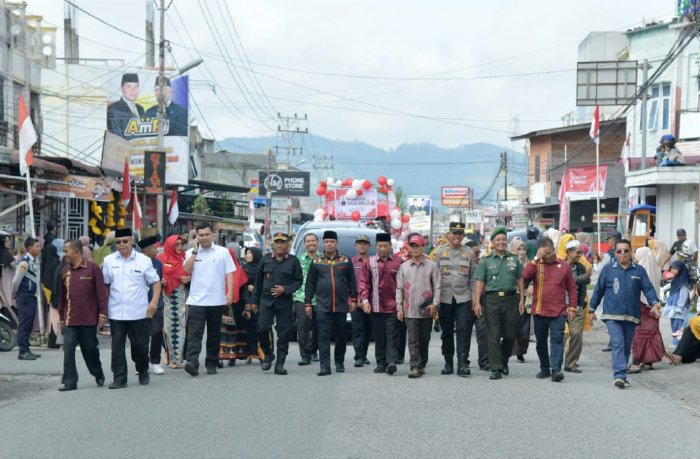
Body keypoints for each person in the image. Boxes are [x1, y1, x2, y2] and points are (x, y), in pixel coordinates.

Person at [589, 239, 662, 389]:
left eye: (626, 250)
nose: (622, 253)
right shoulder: (608, 270)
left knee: (627, 346)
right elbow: (598, 290)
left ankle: (622, 373)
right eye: (619, 251)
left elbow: (648, 288)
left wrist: (654, 302)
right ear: (615, 253)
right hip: (612, 315)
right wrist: (591, 309)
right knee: (618, 343)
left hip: (631, 315)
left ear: (631, 252)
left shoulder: (639, 270)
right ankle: (619, 375)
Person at [102, 228, 161, 389]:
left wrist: (154, 302)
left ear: (132, 242)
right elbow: (106, 286)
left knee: (139, 346)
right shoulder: (109, 261)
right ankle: (119, 378)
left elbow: (155, 282)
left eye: (125, 241)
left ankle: (142, 370)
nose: (122, 245)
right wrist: (103, 308)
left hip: (138, 312)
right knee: (117, 347)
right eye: (118, 242)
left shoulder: (143, 260)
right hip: (116, 312)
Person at [183, 222, 235, 377]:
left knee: (214, 334)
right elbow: (186, 269)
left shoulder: (223, 252)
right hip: (196, 301)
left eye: (207, 234)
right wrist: (194, 251)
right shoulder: (191, 252)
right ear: (196, 236)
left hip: (217, 300)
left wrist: (230, 293)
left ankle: (211, 362)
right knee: (195, 334)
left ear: (213, 235)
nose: (204, 238)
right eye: (201, 235)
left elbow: (230, 273)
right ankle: (192, 361)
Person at [304, 230, 358, 376]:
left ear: (336, 243)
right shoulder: (316, 262)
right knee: (323, 336)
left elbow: (352, 281)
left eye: (332, 242)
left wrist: (354, 299)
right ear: (323, 243)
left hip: (340, 305)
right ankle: (324, 366)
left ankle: (339, 362)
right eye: (326, 242)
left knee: (341, 336)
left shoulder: (345, 260)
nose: (329, 244)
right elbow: (310, 284)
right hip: (322, 305)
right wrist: (308, 303)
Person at [523, 237, 576, 383]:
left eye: (549, 252)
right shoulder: (536, 264)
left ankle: (556, 370)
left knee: (557, 340)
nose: (547, 255)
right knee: (540, 342)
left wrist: (572, 308)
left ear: (554, 249)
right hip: (539, 310)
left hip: (558, 311)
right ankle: (545, 368)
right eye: (544, 253)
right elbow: (525, 276)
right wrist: (535, 258)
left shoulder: (564, 266)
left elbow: (572, 288)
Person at [474, 228, 525, 380]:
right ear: (493, 243)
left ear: (506, 242)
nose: (501, 242)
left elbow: (520, 279)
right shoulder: (485, 260)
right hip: (492, 300)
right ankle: (496, 368)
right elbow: (480, 282)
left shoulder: (514, 259)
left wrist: (522, 298)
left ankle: (503, 361)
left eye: (503, 240)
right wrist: (477, 302)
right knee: (493, 334)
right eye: (498, 240)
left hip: (510, 300)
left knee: (510, 334)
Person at [56, 239, 107, 391]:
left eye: (66, 251)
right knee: (68, 351)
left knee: (90, 350)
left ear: (77, 252)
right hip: (71, 319)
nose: (64, 254)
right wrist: (61, 317)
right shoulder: (64, 271)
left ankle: (98, 373)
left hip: (89, 319)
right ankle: (70, 381)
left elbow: (101, 294)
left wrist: (103, 313)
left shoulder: (93, 269)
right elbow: (61, 297)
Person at [249, 232, 302, 375]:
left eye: (282, 242)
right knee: (261, 329)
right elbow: (258, 282)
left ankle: (280, 364)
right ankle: (268, 354)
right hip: (266, 301)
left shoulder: (293, 261)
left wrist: (285, 289)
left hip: (284, 302)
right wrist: (254, 301)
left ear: (287, 245)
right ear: (273, 244)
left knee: (283, 334)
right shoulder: (266, 259)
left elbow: (298, 281)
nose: (279, 245)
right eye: (277, 242)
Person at [431, 221, 478, 377]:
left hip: (463, 297)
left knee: (464, 330)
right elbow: (434, 277)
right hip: (444, 297)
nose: (457, 236)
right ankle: (448, 362)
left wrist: (474, 299)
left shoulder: (469, 253)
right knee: (446, 331)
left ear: (463, 236)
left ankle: (463, 363)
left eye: (460, 234)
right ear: (448, 235)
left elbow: (473, 278)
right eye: (454, 233)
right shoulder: (439, 252)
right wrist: (434, 300)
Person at [396, 234, 440, 379]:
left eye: (417, 246)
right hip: (409, 309)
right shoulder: (404, 267)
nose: (414, 249)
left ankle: (422, 363)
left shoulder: (432, 265)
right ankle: (414, 365)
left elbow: (437, 286)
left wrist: (435, 304)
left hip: (427, 308)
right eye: (412, 246)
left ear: (423, 247)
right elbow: (399, 289)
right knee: (412, 339)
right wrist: (399, 307)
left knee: (424, 339)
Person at [359, 232, 402, 374]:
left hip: (393, 306)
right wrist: (365, 300)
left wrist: (402, 304)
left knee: (392, 334)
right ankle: (381, 362)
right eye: (380, 246)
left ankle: (391, 362)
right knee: (379, 336)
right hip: (375, 306)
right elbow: (363, 283)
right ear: (376, 246)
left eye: (385, 246)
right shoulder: (369, 262)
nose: (383, 249)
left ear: (390, 246)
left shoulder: (398, 262)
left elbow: (403, 284)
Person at [629, 247, 666, 372]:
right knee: (652, 333)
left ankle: (637, 360)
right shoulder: (656, 267)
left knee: (639, 333)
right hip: (654, 305)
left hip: (642, 305)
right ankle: (648, 362)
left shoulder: (640, 269)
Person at [157, 235, 190, 368]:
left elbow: (194, 273)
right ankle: (167, 352)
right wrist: (161, 281)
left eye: (181, 244)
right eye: (176, 244)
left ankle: (177, 358)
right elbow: (155, 277)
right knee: (167, 327)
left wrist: (189, 279)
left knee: (181, 327)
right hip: (166, 298)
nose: (179, 247)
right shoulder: (160, 259)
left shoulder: (185, 258)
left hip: (182, 297)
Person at [137, 236, 166, 375]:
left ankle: (155, 361)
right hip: (139, 304)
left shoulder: (158, 264)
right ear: (147, 250)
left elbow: (158, 281)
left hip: (156, 304)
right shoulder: (136, 262)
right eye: (155, 247)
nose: (157, 250)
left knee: (156, 332)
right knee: (141, 336)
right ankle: (142, 362)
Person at [218, 246, 251, 366]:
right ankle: (219, 357)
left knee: (233, 332)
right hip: (219, 305)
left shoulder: (238, 271)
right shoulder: (218, 269)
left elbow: (244, 291)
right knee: (219, 332)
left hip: (236, 307)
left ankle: (232, 356)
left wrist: (246, 306)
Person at [11, 237, 42, 360]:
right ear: (30, 248)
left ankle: (27, 349)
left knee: (29, 324)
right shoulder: (24, 262)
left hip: (32, 296)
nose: (39, 248)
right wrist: (14, 293)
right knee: (24, 324)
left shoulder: (35, 261)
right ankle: (22, 351)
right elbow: (16, 281)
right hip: (24, 296)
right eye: (37, 246)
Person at [562, 240, 591, 373]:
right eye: (577, 252)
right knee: (559, 335)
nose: (580, 255)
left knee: (576, 335)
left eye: (581, 252)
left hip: (576, 306)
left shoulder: (580, 267)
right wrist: (582, 278)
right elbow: (561, 283)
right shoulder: (559, 266)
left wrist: (579, 305)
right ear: (569, 252)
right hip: (560, 306)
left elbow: (583, 288)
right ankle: (556, 362)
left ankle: (570, 363)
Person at [293, 234, 319, 365]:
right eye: (308, 241)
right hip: (301, 297)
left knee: (318, 328)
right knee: (302, 327)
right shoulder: (298, 260)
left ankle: (314, 350)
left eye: (313, 241)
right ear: (304, 244)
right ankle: (305, 355)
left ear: (317, 243)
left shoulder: (323, 259)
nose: (311, 243)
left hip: (319, 298)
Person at [350, 234, 373, 367]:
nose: (362, 245)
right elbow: (347, 283)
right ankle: (359, 356)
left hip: (370, 303)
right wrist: (352, 300)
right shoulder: (351, 262)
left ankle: (363, 355)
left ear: (369, 246)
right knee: (357, 330)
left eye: (365, 243)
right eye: (360, 243)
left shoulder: (373, 262)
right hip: (355, 301)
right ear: (356, 246)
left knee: (368, 330)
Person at [509, 237, 531, 363]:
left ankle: (520, 352)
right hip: (512, 297)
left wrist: (532, 285)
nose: (521, 252)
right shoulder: (509, 262)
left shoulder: (530, 264)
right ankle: (509, 349)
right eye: (518, 249)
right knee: (511, 325)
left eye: (523, 249)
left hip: (525, 298)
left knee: (524, 327)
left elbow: (536, 277)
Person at [661, 261, 691, 346]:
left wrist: (679, 308)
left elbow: (683, 297)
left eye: (675, 268)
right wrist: (663, 289)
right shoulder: (676, 280)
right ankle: (676, 342)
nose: (673, 270)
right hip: (673, 309)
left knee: (678, 326)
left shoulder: (683, 284)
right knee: (674, 325)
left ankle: (677, 343)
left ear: (681, 270)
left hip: (679, 310)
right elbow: (671, 285)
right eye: (672, 268)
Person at [107, 73, 145, 138]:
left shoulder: (140, 109)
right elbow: (116, 139)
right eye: (128, 86)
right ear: (121, 88)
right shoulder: (113, 109)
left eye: (136, 86)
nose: (132, 90)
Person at [242, 247, 263, 362]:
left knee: (260, 327)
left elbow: (266, 283)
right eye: (246, 253)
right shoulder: (243, 268)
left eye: (250, 253)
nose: (247, 255)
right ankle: (249, 353)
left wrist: (256, 288)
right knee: (247, 328)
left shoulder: (262, 268)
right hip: (246, 301)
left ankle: (262, 352)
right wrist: (246, 287)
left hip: (259, 301)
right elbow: (239, 283)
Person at [0, 234, 16, 307]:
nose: (9, 243)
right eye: (6, 241)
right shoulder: (6, 253)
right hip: (6, 278)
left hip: (3, 278)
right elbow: (14, 265)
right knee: (7, 300)